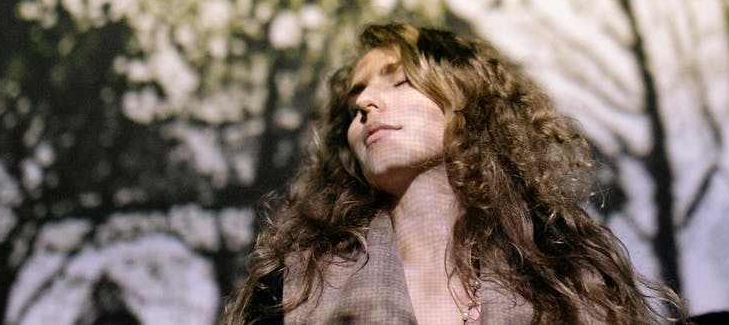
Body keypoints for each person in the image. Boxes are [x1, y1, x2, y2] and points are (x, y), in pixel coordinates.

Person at [220, 23, 682, 324]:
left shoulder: (571, 280)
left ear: (470, 106)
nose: (365, 103)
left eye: (400, 82)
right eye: (355, 100)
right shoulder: (293, 291)